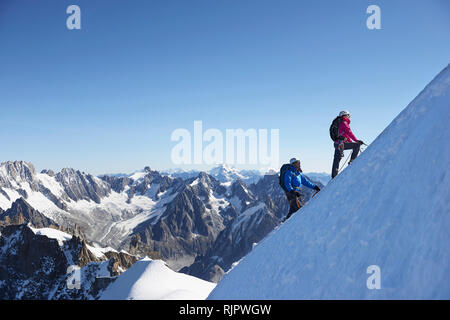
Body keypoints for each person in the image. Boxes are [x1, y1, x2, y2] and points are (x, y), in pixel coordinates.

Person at [282, 158, 320, 222]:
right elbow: (287, 183)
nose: (299, 164)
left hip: (297, 193)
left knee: (293, 209)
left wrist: (314, 187)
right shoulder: (289, 172)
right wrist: (292, 191)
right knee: (298, 210)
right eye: (297, 163)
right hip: (291, 193)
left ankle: (285, 222)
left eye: (299, 162)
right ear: (293, 164)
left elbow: (305, 182)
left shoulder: (299, 173)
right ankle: (294, 225)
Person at [331, 110, 365, 179]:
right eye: (349, 115)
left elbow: (345, 135)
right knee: (357, 146)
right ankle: (352, 161)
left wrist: (351, 141)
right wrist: (356, 141)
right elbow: (349, 133)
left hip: (337, 144)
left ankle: (334, 176)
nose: (349, 117)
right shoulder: (344, 123)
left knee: (336, 160)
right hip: (342, 144)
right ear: (345, 115)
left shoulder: (338, 123)